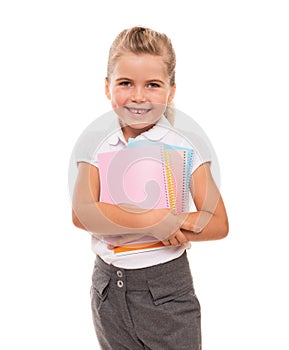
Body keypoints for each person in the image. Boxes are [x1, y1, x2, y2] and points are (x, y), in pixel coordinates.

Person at [71, 26, 229, 350]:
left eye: (153, 85)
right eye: (125, 83)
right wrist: (154, 221)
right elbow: (82, 213)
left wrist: (172, 223)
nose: (139, 96)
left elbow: (217, 222)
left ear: (171, 91)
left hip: (166, 292)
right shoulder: (95, 142)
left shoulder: (185, 144)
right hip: (107, 292)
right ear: (107, 87)